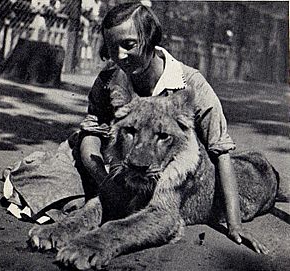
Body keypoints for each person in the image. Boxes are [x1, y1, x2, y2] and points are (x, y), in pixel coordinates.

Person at [79, 2, 268, 254]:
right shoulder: (109, 78)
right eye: (112, 47)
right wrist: (105, 183)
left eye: (129, 45)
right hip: (124, 152)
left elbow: (221, 151)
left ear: (151, 40)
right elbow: (91, 134)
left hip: (181, 168)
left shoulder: (191, 83)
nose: (120, 56)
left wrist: (234, 224)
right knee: (63, 169)